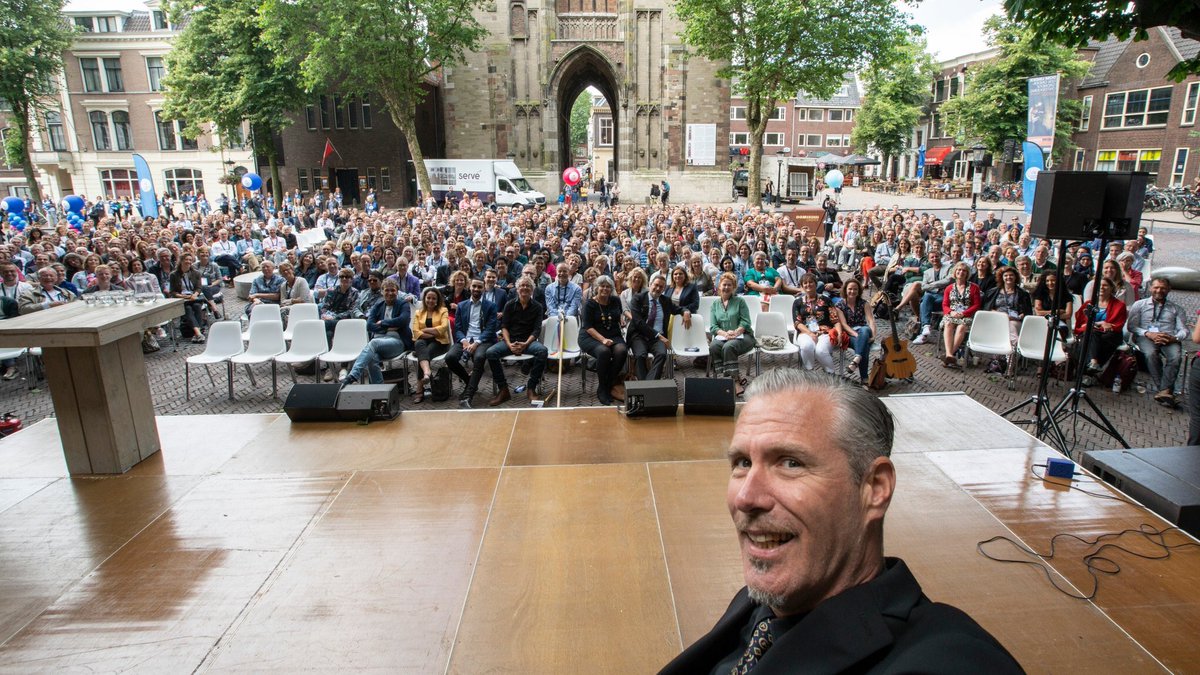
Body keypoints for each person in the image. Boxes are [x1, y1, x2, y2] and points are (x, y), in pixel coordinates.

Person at [658, 369, 1021, 674]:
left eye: (790, 463)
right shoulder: (768, 601)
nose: (746, 497)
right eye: (742, 463)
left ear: (874, 488)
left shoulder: (951, 661)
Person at [486, 276, 554, 405]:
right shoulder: (510, 304)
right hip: (510, 341)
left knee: (542, 351)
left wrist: (526, 344)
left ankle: (531, 387)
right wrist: (509, 344)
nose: (525, 288)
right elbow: (504, 327)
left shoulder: (538, 307)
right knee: (490, 352)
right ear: (517, 289)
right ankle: (503, 390)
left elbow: (536, 330)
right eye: (522, 285)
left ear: (532, 290)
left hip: (528, 342)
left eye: (528, 286)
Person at [1125, 278, 1187, 407]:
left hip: (1168, 338)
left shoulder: (1177, 309)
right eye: (1156, 287)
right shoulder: (1139, 305)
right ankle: (1165, 390)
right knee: (1151, 354)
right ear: (1150, 288)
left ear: (1169, 290)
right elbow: (1132, 327)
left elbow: (1184, 330)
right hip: (1146, 337)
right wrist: (1148, 333)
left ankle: (1163, 391)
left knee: (1176, 357)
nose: (1159, 290)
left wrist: (1174, 338)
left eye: (1163, 288)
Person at [342, 280, 414, 386]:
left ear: (397, 292)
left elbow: (403, 320)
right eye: (387, 290)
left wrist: (383, 322)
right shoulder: (378, 305)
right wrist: (388, 328)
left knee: (373, 343)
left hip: (397, 343)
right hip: (378, 343)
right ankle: (379, 390)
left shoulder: (403, 304)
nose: (390, 293)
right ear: (382, 292)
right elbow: (369, 325)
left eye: (393, 290)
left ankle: (353, 375)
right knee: (372, 358)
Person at [445, 278, 499, 408]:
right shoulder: (462, 306)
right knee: (450, 357)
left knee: (479, 357)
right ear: (470, 287)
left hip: (483, 340)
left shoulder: (491, 306)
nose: (476, 289)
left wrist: (477, 343)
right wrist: (464, 341)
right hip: (465, 339)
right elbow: (457, 328)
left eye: (479, 287)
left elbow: (491, 328)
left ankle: (468, 395)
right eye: (474, 286)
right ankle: (469, 381)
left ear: (484, 288)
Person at [628, 274, 692, 381]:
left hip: (657, 339)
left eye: (661, 287)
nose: (658, 288)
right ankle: (646, 386)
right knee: (640, 355)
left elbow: (678, 309)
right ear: (650, 284)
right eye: (656, 285)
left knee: (662, 354)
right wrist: (659, 336)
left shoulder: (665, 301)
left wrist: (686, 312)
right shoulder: (638, 299)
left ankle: (647, 386)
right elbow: (639, 323)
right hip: (639, 336)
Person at [579, 275, 627, 405]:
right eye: (602, 286)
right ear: (596, 288)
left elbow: (619, 314)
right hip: (590, 336)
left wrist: (621, 319)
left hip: (613, 333)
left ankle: (608, 384)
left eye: (608, 286)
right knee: (604, 352)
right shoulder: (589, 304)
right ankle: (602, 388)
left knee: (622, 350)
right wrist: (603, 339)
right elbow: (588, 327)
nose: (605, 289)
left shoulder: (615, 300)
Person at [708, 272, 754, 395]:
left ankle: (734, 382)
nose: (726, 287)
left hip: (744, 336)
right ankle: (728, 377)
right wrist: (724, 334)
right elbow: (713, 326)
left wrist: (735, 332)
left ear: (733, 287)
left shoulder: (740, 301)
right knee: (713, 346)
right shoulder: (715, 304)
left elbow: (746, 321)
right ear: (719, 286)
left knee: (729, 346)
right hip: (724, 337)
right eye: (724, 285)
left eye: (729, 285)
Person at [1075, 277, 1127, 381]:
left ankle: (1084, 371)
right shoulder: (1089, 304)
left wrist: (1095, 325)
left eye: (1105, 285)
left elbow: (1117, 325)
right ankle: (1093, 366)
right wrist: (1100, 324)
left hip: (1111, 335)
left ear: (1111, 288)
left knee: (1089, 338)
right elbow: (1080, 321)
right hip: (1092, 332)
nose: (1102, 287)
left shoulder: (1119, 305)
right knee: (1090, 335)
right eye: (1099, 285)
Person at [410, 287, 451, 403]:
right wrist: (433, 333)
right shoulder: (419, 312)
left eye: (434, 298)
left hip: (440, 343)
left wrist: (426, 330)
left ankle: (419, 389)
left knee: (422, 353)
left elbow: (443, 329)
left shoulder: (443, 310)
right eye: (428, 298)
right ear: (424, 299)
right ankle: (427, 372)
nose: (431, 300)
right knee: (419, 344)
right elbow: (415, 331)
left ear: (437, 300)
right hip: (424, 341)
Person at [792, 273, 837, 374]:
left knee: (820, 351)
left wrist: (838, 334)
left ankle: (831, 373)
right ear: (802, 286)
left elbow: (835, 319)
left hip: (825, 332)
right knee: (806, 346)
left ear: (816, 284)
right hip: (805, 332)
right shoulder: (797, 302)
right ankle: (810, 372)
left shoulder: (826, 299)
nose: (808, 285)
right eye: (805, 283)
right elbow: (797, 322)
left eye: (811, 282)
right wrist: (810, 333)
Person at [833, 277, 876, 385]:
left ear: (859, 291)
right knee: (864, 346)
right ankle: (864, 379)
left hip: (864, 331)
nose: (852, 291)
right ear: (845, 290)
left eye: (855, 289)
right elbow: (843, 324)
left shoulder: (864, 303)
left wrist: (874, 335)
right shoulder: (839, 305)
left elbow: (871, 320)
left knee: (865, 329)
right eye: (850, 289)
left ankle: (857, 359)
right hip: (849, 334)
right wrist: (856, 334)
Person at [941, 262, 981, 368]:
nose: (961, 272)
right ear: (955, 272)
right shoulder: (949, 288)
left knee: (962, 327)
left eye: (964, 271)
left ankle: (948, 355)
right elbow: (945, 304)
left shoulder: (974, 287)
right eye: (959, 270)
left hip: (966, 315)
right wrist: (951, 312)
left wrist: (963, 313)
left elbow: (976, 305)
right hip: (952, 314)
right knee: (948, 323)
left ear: (967, 273)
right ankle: (950, 355)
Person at [169, 253, 208, 343]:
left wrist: (195, 295)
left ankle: (197, 334)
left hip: (194, 297)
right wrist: (184, 296)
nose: (188, 262)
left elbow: (199, 287)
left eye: (190, 260)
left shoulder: (196, 273)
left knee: (197, 306)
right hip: (183, 298)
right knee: (188, 308)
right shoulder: (174, 275)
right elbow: (173, 292)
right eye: (186, 259)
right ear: (181, 261)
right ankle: (198, 333)